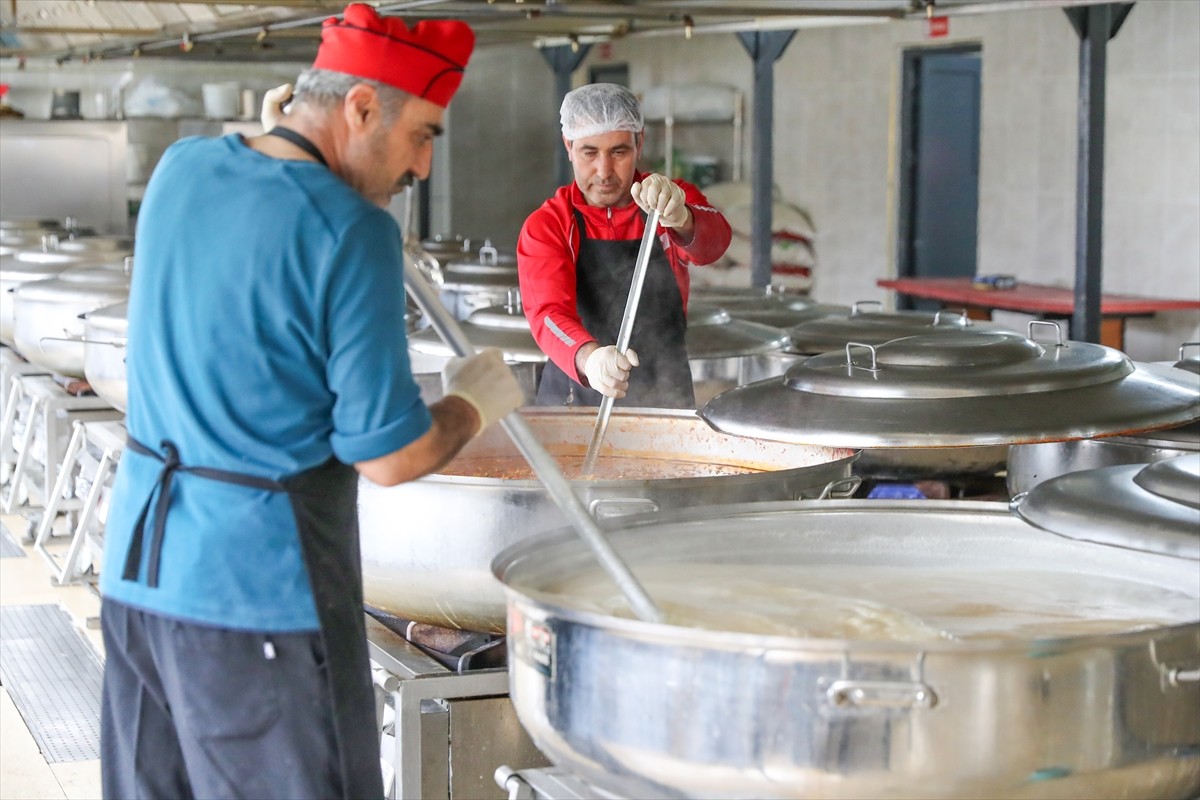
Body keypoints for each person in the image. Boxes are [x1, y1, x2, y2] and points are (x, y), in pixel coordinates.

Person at [98, 5, 524, 799]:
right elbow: (390, 456)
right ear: (360, 107)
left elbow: (250, 207)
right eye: (422, 134)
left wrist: (286, 147)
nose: (422, 168)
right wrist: (472, 403)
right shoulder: (350, 230)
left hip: (140, 570)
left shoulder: (180, 169)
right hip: (257, 592)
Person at [517, 83, 732, 408]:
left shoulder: (666, 201)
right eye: (589, 152)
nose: (604, 171)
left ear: (639, 143)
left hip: (665, 397)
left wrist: (682, 217)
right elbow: (548, 314)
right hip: (573, 403)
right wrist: (590, 360)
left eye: (619, 152)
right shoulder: (549, 225)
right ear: (568, 146)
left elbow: (714, 244)